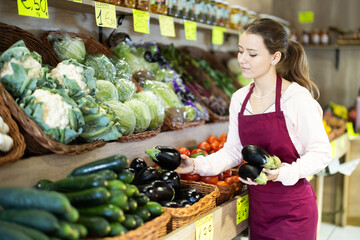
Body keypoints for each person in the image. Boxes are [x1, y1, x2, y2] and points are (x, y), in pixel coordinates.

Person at [176, 18, 332, 240]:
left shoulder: (295, 98)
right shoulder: (240, 98)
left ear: (275, 57)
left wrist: (281, 173)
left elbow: (321, 153)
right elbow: (233, 151)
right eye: (240, 51)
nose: (242, 60)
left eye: (252, 53)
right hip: (259, 210)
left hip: (293, 212)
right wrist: (195, 165)